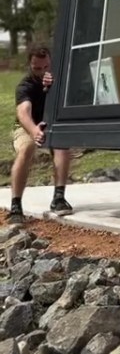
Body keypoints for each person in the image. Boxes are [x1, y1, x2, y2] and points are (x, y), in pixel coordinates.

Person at [8, 44, 73, 225]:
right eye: (37, 68)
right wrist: (34, 130)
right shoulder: (25, 85)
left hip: (51, 124)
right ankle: (15, 206)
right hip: (27, 125)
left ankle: (59, 198)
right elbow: (23, 112)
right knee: (26, 148)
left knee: (61, 145)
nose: (42, 71)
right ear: (30, 65)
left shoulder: (59, 78)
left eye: (46, 67)